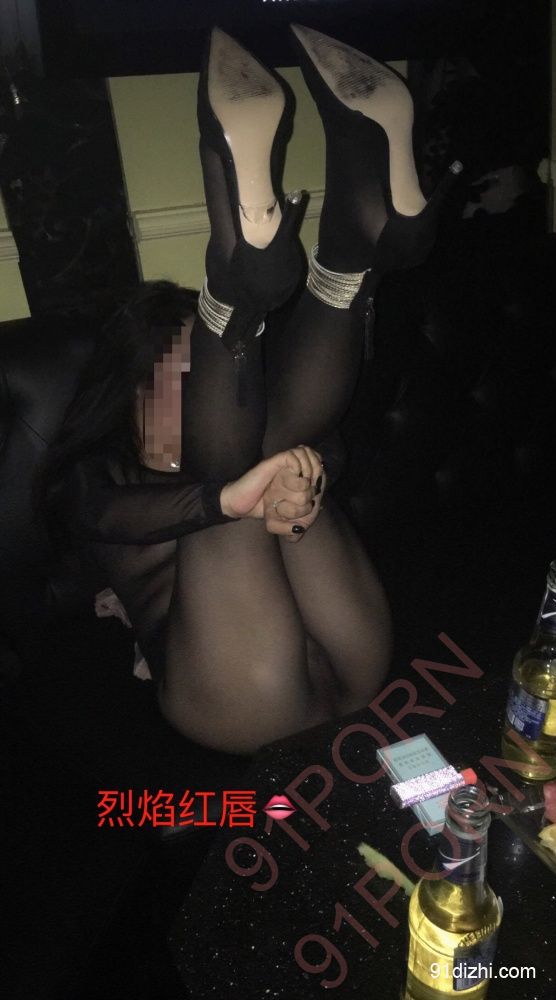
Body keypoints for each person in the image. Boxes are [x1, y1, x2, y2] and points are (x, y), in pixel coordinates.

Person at [40, 26, 460, 754]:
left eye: (201, 371)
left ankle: (313, 263)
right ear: (127, 389)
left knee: (271, 450)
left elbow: (318, 451)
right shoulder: (97, 475)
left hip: (350, 658)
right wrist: (228, 501)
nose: (195, 388)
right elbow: (102, 513)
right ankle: (316, 263)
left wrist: (301, 487)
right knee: (240, 465)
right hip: (240, 697)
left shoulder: (260, 423)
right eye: (179, 372)